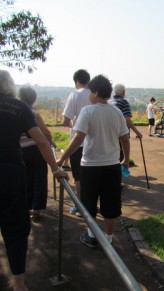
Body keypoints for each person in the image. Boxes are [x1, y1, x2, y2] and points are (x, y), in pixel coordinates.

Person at [0, 70, 68, 291]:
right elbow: (40, 139)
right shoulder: (20, 107)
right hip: (11, 172)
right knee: (16, 228)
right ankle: (19, 286)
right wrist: (56, 168)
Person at [57, 74, 130, 248]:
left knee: (89, 203)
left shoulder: (88, 111)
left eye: (90, 91)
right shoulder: (117, 112)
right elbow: (125, 139)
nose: (89, 94)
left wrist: (62, 158)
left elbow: (78, 138)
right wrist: (126, 160)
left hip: (90, 166)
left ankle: (92, 236)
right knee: (110, 205)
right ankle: (109, 238)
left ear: (95, 92)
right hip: (112, 166)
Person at [19, 86, 57, 219]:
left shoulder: (15, 111)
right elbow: (45, 132)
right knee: (39, 177)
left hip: (20, 150)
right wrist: (51, 142)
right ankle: (36, 208)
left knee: (26, 178)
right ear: (33, 99)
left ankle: (25, 206)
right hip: (35, 149)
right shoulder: (34, 113)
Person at [62, 69, 90, 216]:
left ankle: (80, 206)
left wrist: (74, 125)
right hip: (93, 143)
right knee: (90, 175)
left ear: (77, 81)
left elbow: (65, 119)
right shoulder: (95, 94)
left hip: (78, 142)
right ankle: (90, 204)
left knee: (78, 177)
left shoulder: (75, 94)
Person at [109, 83, 142, 162]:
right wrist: (137, 133)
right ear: (123, 92)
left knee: (112, 155)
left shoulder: (109, 102)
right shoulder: (124, 102)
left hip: (109, 133)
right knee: (121, 156)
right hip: (121, 133)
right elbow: (127, 120)